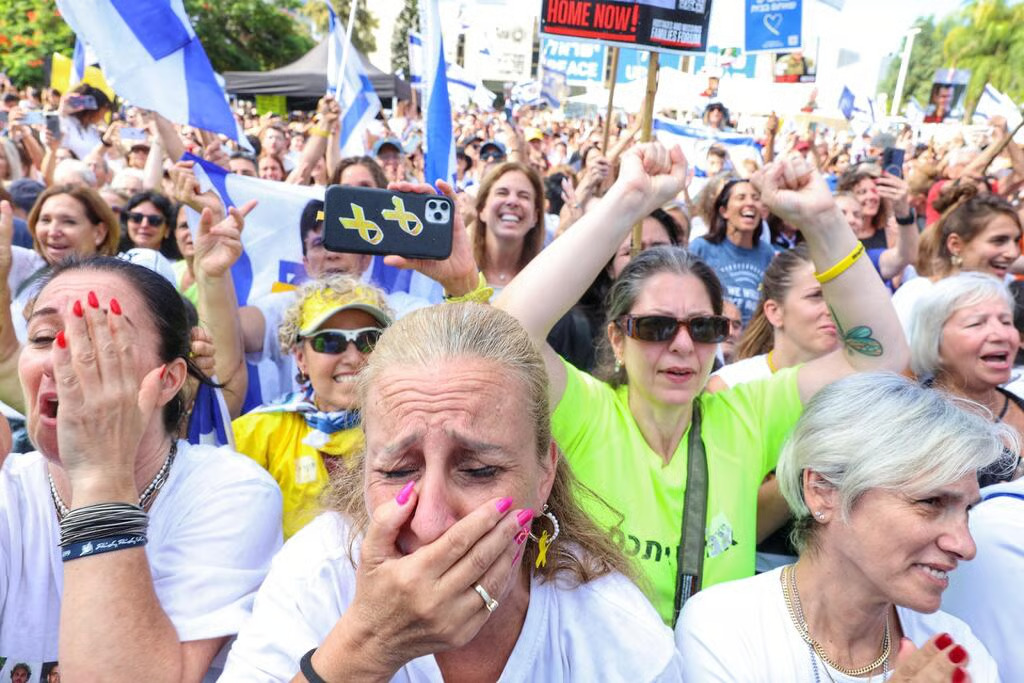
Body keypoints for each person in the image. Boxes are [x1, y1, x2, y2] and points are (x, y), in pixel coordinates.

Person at [496, 144, 909, 625]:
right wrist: (626, 200)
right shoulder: (586, 410)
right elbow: (507, 330)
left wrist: (824, 220)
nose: (682, 345)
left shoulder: (748, 414)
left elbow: (880, 358)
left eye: (703, 328)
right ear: (618, 340)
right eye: (655, 327)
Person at [220, 303, 683, 681]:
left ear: (545, 473)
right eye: (399, 470)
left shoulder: (616, 633)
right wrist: (366, 648)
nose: (431, 522)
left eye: (480, 470)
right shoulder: (316, 576)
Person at [0, 254, 282, 678]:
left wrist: (101, 474)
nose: (62, 359)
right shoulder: (9, 491)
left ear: (169, 380)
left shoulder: (230, 492)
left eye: (102, 341)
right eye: (43, 337)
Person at [676, 373, 1004, 681]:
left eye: (967, 510)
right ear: (822, 491)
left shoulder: (955, 648)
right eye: (930, 502)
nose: (965, 545)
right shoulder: (726, 625)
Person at [232, 276, 391, 538]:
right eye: (330, 341)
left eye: (369, 339)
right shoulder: (258, 433)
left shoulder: (410, 428)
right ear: (300, 358)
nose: (353, 358)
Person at [908, 273, 1024, 486]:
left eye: (1006, 321)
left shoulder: (1019, 402)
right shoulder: (914, 425)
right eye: (976, 324)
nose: (1001, 335)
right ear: (933, 341)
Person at [894, 184, 1022, 335]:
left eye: (1016, 241)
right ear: (956, 245)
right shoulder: (918, 295)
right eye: (998, 241)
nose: (1013, 253)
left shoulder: (1012, 293)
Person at [708, 246, 838, 391]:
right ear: (774, 312)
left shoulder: (853, 387)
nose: (832, 309)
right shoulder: (728, 386)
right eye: (816, 296)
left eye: (840, 297)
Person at [688, 178, 776, 324]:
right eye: (741, 197)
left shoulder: (767, 254)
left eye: (756, 198)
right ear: (724, 211)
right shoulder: (701, 248)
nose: (750, 203)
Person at [469, 161, 545, 294]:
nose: (512, 201)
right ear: (482, 209)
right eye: (502, 193)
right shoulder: (455, 273)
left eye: (524, 196)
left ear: (535, 216)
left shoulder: (547, 280)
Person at [836, 164, 918, 285]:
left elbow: (904, 260)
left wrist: (904, 216)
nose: (871, 196)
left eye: (875, 191)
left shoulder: (890, 230)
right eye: (862, 192)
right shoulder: (835, 239)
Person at [119, 190, 180, 260]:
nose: (144, 225)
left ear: (167, 229)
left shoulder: (178, 266)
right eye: (136, 218)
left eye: (154, 220)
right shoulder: (113, 259)